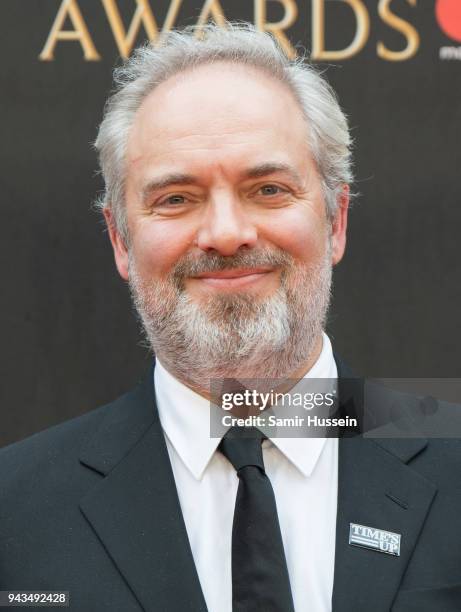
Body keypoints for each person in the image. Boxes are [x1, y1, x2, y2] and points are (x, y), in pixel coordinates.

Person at [1, 22, 460, 612]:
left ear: (336, 221)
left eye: (268, 189)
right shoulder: (15, 510)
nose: (225, 234)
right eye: (176, 198)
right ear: (119, 240)